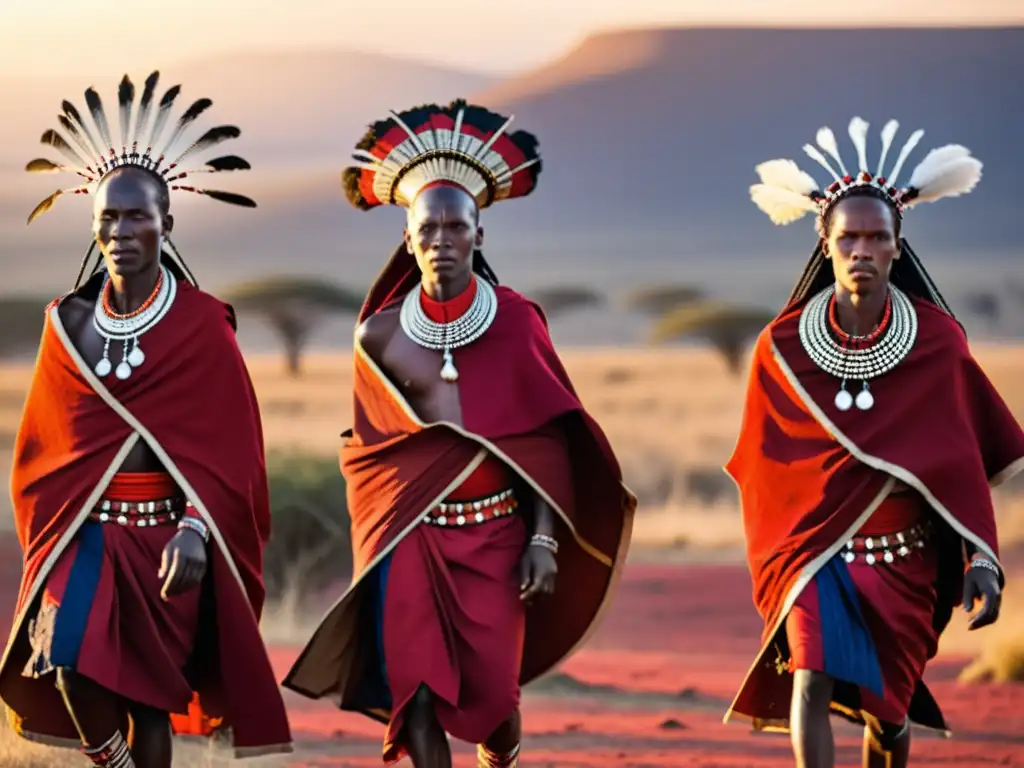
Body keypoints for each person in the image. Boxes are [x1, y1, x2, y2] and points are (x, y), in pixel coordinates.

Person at [282, 100, 635, 767]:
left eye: (456, 226)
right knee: (414, 698)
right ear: (408, 240)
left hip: (499, 539)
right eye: (428, 228)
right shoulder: (376, 337)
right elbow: (373, 462)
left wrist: (540, 537)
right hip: (410, 542)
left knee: (496, 708)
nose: (442, 239)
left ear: (479, 235)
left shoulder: (517, 322)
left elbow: (546, 439)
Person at [0, 71, 292, 767]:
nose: (122, 230)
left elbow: (235, 452)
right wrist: (58, 524)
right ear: (93, 223)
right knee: (67, 663)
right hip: (88, 536)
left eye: (137, 216)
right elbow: (45, 451)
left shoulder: (201, 325)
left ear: (167, 220)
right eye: (109, 217)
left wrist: (196, 527)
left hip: (169, 541)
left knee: (147, 701)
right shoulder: (66, 324)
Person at [722, 116, 1024, 768]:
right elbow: (765, 469)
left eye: (875, 237)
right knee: (811, 678)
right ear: (825, 244)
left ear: (897, 245)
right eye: (848, 237)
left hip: (906, 561)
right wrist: (785, 549)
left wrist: (980, 556)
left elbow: (962, 462)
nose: (861, 249)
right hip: (814, 554)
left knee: (888, 719)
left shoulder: (938, 343)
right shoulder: (780, 348)